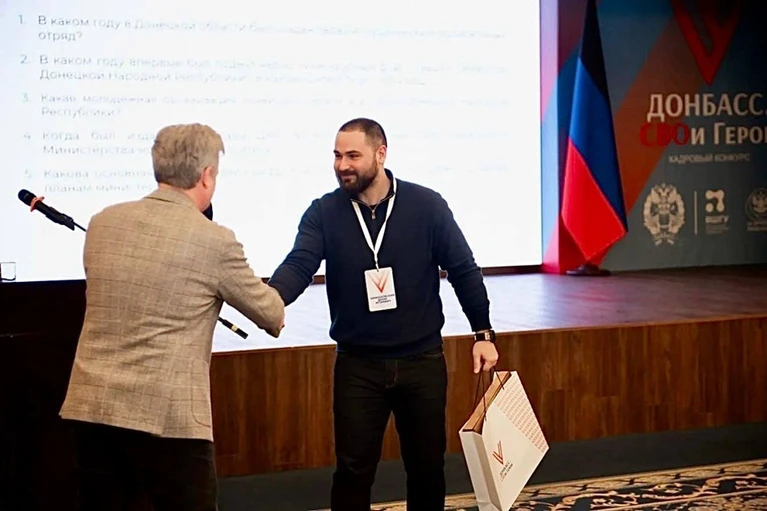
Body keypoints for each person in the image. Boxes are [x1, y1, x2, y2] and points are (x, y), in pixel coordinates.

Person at [268, 117, 499, 510]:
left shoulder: (426, 206)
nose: (342, 165)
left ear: (381, 154)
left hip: (422, 362)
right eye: (337, 156)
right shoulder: (324, 212)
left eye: (352, 156)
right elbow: (299, 263)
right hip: (358, 365)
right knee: (352, 472)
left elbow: (463, 268)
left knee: (427, 469)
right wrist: (272, 298)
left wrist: (483, 333)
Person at [59, 123, 285, 511]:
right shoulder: (214, 240)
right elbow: (271, 314)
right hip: (169, 420)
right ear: (206, 175)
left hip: (93, 410)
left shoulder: (102, 223)